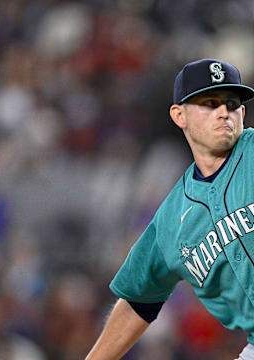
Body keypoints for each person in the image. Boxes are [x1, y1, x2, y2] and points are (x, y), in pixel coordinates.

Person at [85, 58, 254, 360]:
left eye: (231, 105)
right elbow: (139, 300)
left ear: (242, 113)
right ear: (180, 116)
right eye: (209, 103)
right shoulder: (173, 217)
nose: (223, 113)